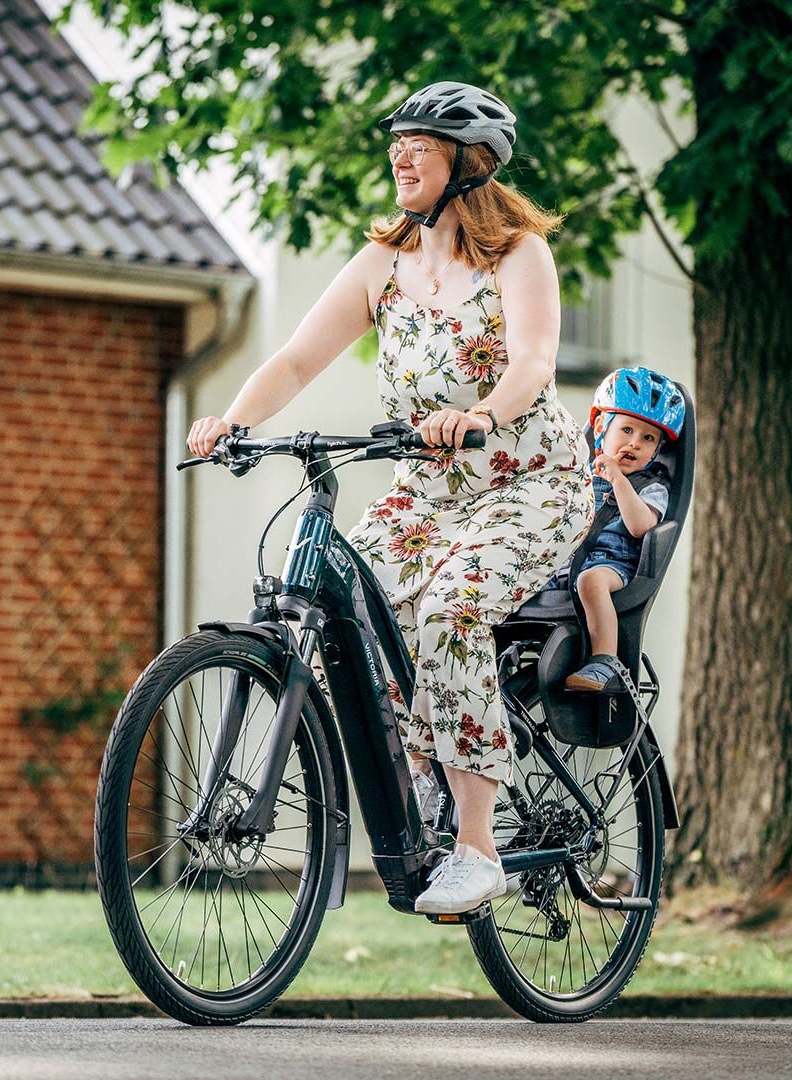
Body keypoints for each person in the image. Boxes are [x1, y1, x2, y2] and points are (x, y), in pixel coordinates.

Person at [187, 81, 593, 914]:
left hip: (529, 485)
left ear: (469, 164)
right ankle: (421, 770)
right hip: (429, 495)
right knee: (346, 607)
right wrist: (231, 421)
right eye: (396, 140)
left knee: (449, 608)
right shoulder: (384, 263)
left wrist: (480, 415)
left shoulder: (519, 255)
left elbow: (534, 365)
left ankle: (478, 846)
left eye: (421, 142)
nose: (399, 153)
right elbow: (298, 361)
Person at [549, 367, 686, 692]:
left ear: (656, 451)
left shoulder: (651, 487)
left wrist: (619, 481)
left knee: (591, 581)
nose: (635, 443)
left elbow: (641, 526)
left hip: (613, 564)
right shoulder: (579, 475)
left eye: (648, 438)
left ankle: (604, 661)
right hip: (567, 563)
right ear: (600, 428)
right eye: (626, 430)